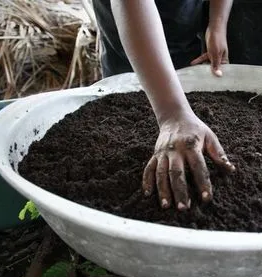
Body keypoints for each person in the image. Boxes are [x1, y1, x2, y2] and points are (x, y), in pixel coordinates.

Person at [92, 0, 235, 211]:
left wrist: (217, 24)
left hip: (183, 28)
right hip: (133, 40)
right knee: (130, 90)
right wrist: (173, 114)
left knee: (184, 77)